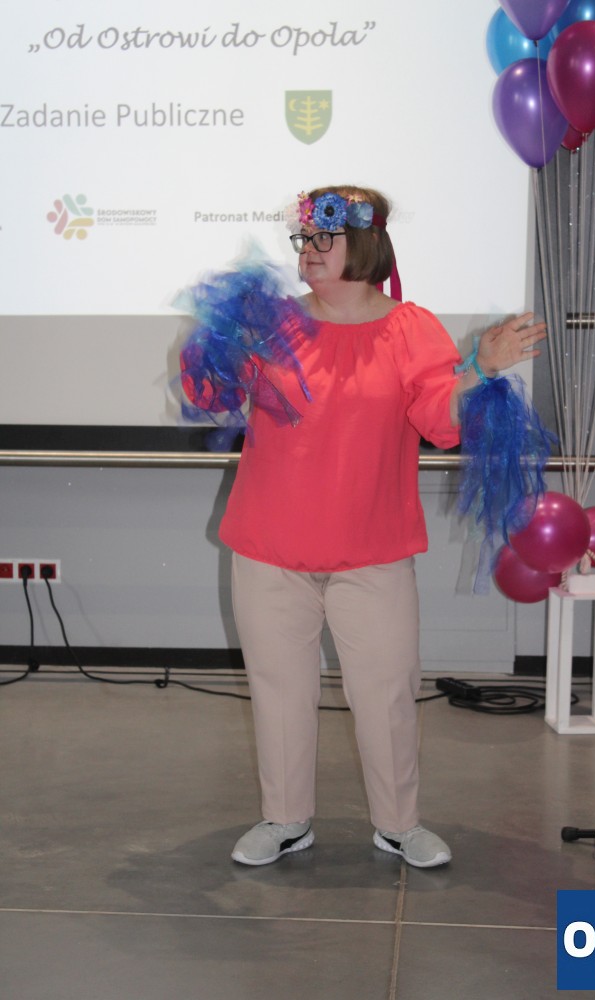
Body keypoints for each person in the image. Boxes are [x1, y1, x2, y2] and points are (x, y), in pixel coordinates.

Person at [180, 185, 547, 868]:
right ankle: (285, 819)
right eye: (304, 239)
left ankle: (398, 824)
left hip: (372, 552)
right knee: (279, 694)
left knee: (386, 697)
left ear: (366, 243)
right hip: (269, 546)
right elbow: (210, 395)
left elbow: (439, 420)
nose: (308, 251)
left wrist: (480, 368)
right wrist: (216, 342)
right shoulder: (273, 325)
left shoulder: (410, 329)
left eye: (324, 238)